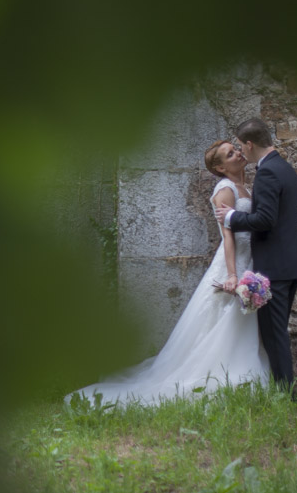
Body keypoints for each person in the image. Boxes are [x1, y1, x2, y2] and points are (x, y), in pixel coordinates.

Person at [66, 140, 270, 407]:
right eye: (229, 154)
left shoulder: (244, 186)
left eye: (236, 149)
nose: (237, 154)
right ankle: (220, 373)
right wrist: (233, 274)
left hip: (249, 257)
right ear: (220, 167)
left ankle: (241, 370)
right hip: (233, 261)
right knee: (225, 316)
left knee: (238, 320)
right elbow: (227, 237)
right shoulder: (226, 189)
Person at [215, 118, 297, 393]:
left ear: (250, 143)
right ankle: (283, 390)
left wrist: (231, 216)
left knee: (274, 335)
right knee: (277, 332)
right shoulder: (285, 167)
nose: (241, 152)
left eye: (241, 147)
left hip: (274, 269)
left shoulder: (267, 172)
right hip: (290, 265)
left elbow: (266, 219)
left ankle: (287, 394)